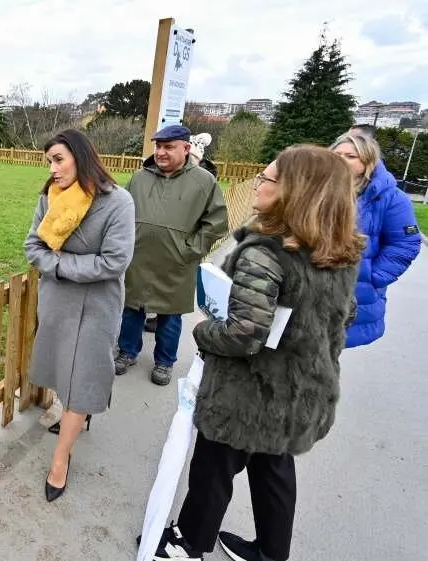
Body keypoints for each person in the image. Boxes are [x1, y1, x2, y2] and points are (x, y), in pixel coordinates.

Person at [150, 145, 364, 561]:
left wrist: (203, 331)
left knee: (213, 468)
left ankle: (188, 543)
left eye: (268, 179)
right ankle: (270, 551)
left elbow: (243, 334)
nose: (259, 185)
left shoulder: (265, 254)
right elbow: (345, 314)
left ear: (294, 193)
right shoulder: (337, 252)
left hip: (248, 394)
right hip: (302, 388)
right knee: (274, 469)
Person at [24, 129, 135, 502]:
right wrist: (58, 265)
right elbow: (32, 246)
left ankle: (60, 459)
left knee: (82, 379)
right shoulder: (50, 198)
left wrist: (60, 263)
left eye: (58, 159)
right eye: (49, 162)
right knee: (61, 372)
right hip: (57, 302)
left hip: (96, 306)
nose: (52, 169)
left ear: (81, 156)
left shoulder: (118, 202)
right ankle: (77, 417)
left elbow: (115, 261)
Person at [117, 124, 229, 386]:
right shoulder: (139, 178)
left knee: (170, 316)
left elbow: (216, 223)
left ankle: (165, 362)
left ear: (186, 148)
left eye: (168, 147)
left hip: (177, 264)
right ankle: (127, 352)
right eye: (158, 146)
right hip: (139, 260)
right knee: (132, 309)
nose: (161, 152)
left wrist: (189, 250)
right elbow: (121, 211)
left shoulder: (204, 181)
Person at [332, 132, 421, 347]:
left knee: (328, 352)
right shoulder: (317, 190)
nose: (341, 160)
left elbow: (406, 243)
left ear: (368, 161)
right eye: (337, 154)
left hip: (354, 292)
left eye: (351, 156)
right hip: (312, 286)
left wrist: (373, 277)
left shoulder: (391, 198)